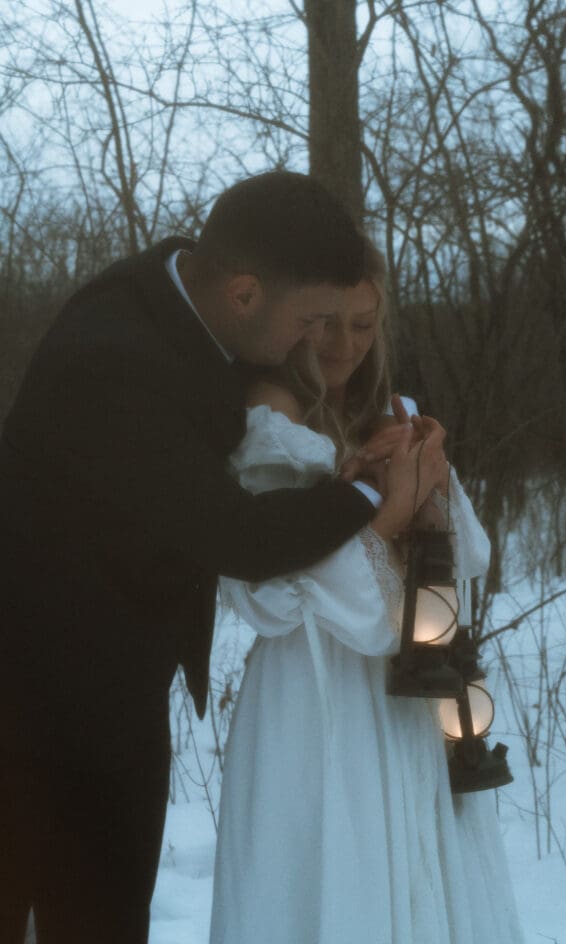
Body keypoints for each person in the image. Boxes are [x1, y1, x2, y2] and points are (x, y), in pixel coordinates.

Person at [0, 171, 446, 944]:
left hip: (110, 675)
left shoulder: (178, 287)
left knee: (103, 912)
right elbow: (236, 537)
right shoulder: (110, 363)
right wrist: (377, 496)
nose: (317, 341)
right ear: (243, 293)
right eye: (310, 319)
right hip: (30, 694)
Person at [209, 241, 525, 944]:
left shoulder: (392, 415)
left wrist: (428, 478)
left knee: (414, 890)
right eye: (325, 321)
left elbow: (468, 555)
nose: (342, 343)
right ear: (295, 316)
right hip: (314, 704)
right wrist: (386, 513)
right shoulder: (264, 430)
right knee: (329, 885)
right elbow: (326, 607)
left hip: (408, 705)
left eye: (362, 323)